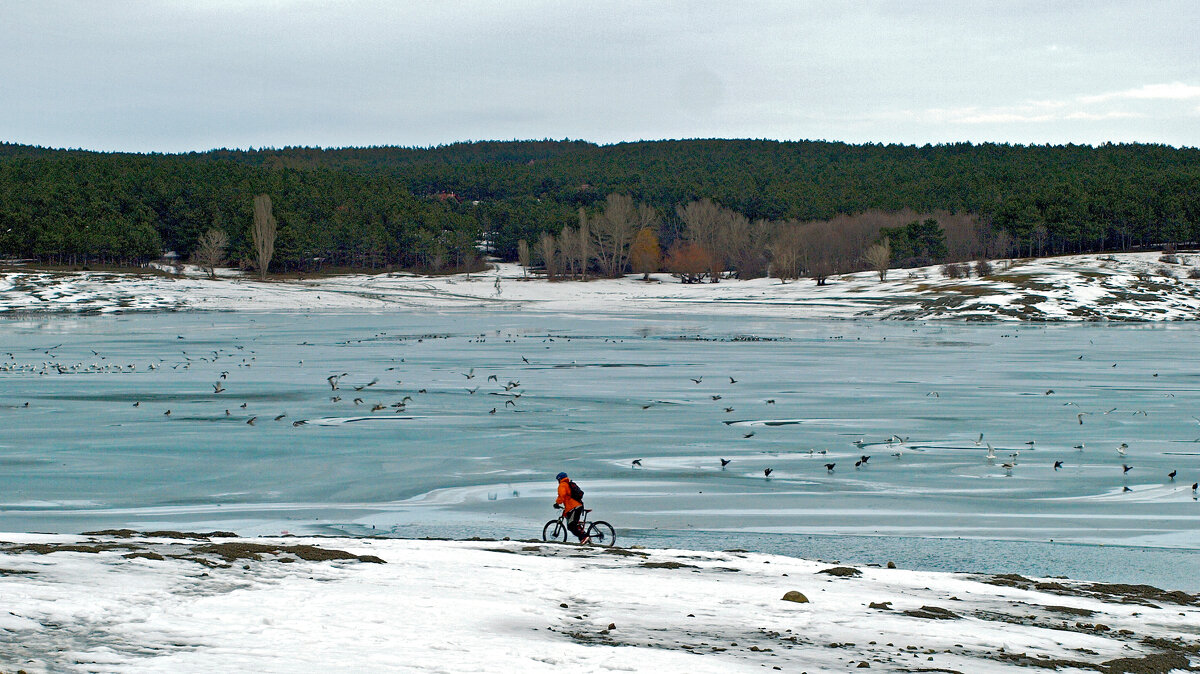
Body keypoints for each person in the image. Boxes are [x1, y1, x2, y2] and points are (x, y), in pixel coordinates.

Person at [554, 471, 589, 544]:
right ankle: (584, 536)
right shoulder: (567, 484)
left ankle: (584, 537)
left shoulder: (562, 485)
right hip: (576, 506)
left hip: (574, 507)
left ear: (559, 479)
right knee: (574, 524)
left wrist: (557, 503)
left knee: (571, 526)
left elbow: (562, 495)